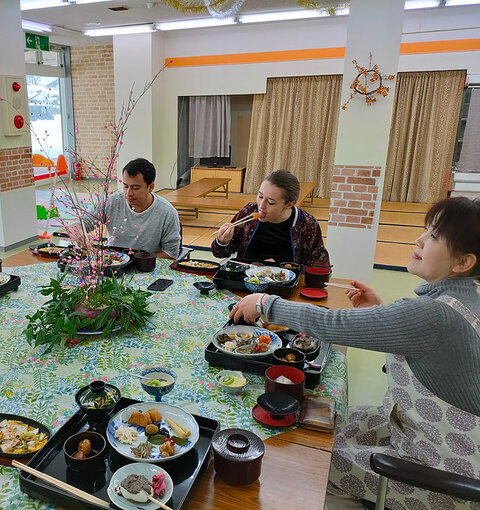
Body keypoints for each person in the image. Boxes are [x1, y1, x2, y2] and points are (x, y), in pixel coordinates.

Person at [230, 196, 480, 510]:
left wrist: (267, 304)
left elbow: (334, 324)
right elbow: (428, 358)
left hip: (439, 473)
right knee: (319, 422)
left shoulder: (434, 315)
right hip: (416, 431)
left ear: (462, 263)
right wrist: (381, 313)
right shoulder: (465, 303)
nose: (419, 239)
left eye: (433, 236)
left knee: (303, 463)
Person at [212, 169, 329, 267]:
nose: (261, 206)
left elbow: (320, 268)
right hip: (246, 281)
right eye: (260, 196)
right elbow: (220, 254)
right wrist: (222, 242)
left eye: (271, 202)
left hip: (285, 290)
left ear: (289, 205)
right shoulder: (249, 211)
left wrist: (280, 268)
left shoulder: (307, 224)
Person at [73, 158, 182, 259]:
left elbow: (171, 253)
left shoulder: (167, 212)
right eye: (125, 186)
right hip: (114, 262)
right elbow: (79, 225)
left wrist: (137, 260)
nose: (128, 193)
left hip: (147, 264)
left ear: (151, 187)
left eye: (135, 187)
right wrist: (81, 236)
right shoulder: (112, 202)